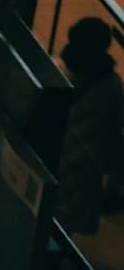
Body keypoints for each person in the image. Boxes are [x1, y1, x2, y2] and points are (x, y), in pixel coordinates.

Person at [58, 20, 123, 248]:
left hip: (51, 157)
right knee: (60, 236)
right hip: (82, 173)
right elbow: (114, 139)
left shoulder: (57, 70)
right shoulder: (112, 87)